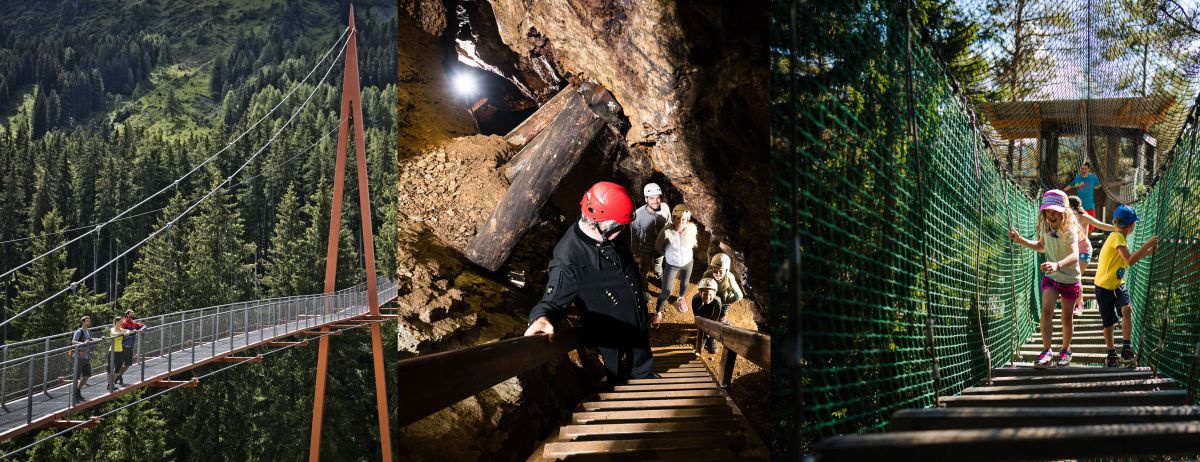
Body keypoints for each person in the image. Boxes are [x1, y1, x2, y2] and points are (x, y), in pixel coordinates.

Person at [524, 182, 655, 381]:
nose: (623, 230)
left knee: (641, 360)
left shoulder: (605, 230)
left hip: (636, 323)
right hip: (609, 335)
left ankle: (643, 375)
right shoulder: (569, 259)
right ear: (605, 224)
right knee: (617, 377)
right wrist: (542, 317)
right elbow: (551, 300)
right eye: (621, 226)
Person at [1009, 190, 1083, 368]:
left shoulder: (1070, 228)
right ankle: (1047, 350)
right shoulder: (1045, 226)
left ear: (1063, 211)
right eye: (1047, 211)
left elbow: (1075, 255)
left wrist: (1057, 264)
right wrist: (1020, 240)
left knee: (1066, 317)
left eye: (1055, 211)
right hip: (1051, 276)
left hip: (1070, 278)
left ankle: (1065, 349)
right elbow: (1042, 246)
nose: (1051, 215)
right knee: (1046, 310)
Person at [1095, 205, 1158, 367]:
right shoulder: (1117, 238)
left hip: (1117, 284)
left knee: (1126, 309)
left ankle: (1126, 348)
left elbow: (1127, 259)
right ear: (1131, 226)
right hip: (1104, 287)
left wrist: (1146, 253)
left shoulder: (1118, 236)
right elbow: (1129, 260)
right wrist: (1146, 245)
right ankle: (1111, 353)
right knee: (1108, 323)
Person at [1067, 196, 1119, 316]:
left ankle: (1079, 305)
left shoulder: (1083, 217)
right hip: (1071, 252)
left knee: (1076, 276)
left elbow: (1099, 224)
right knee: (1072, 278)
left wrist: (1116, 229)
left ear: (1072, 206)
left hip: (1084, 251)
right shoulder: (1066, 217)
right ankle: (1075, 303)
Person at [655, 204, 697, 314]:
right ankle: (658, 312)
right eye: (678, 218)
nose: (680, 221)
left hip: (688, 262)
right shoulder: (666, 231)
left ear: (687, 220)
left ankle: (681, 297)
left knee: (685, 284)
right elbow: (658, 247)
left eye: (684, 219)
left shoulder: (691, 229)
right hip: (672, 264)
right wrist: (669, 255)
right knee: (666, 291)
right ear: (673, 218)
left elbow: (692, 244)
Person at [630, 183, 670, 282]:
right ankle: (643, 284)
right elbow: (634, 237)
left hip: (660, 247)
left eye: (658, 198)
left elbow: (669, 224)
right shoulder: (638, 215)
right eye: (651, 198)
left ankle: (659, 277)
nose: (656, 201)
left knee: (658, 264)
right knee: (644, 268)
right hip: (645, 249)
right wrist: (636, 255)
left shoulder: (665, 208)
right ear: (646, 199)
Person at [1064, 163, 1101, 233]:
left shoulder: (1093, 178)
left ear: (1088, 169)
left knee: (1090, 228)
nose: (1084, 170)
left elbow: (1100, 184)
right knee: (1078, 228)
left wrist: (1095, 187)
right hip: (1079, 208)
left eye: (1085, 169)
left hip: (1090, 206)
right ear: (1080, 169)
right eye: (1082, 168)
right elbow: (1068, 187)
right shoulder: (1077, 178)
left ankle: (1086, 241)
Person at [692, 278, 724, 354]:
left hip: (713, 318)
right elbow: (697, 316)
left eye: (710, 294)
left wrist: (710, 334)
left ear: (714, 294)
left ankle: (711, 338)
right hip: (703, 315)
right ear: (700, 292)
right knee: (700, 322)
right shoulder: (695, 300)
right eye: (705, 294)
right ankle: (703, 336)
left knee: (716, 323)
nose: (707, 297)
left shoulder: (717, 303)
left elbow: (714, 321)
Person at [118, 309, 147, 386]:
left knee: (127, 363)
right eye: (131, 313)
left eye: (133, 313)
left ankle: (119, 376)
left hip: (130, 346)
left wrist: (140, 330)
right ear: (127, 314)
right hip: (123, 345)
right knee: (120, 363)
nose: (133, 314)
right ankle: (118, 377)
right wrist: (131, 331)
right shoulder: (123, 322)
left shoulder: (134, 324)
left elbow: (144, 326)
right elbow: (120, 330)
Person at [70, 316, 94, 403]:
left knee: (87, 374)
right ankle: (75, 394)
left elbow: (91, 340)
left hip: (85, 356)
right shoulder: (78, 331)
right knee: (76, 376)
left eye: (89, 321)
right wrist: (83, 343)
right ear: (83, 322)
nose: (88, 322)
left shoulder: (88, 331)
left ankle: (78, 390)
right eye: (87, 321)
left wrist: (101, 339)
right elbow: (73, 342)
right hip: (77, 356)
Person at [107, 317, 130, 391]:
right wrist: (123, 334)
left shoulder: (121, 329)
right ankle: (109, 384)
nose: (121, 323)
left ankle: (112, 382)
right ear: (116, 322)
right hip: (112, 350)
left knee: (118, 368)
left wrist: (126, 332)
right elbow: (114, 334)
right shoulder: (112, 329)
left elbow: (128, 330)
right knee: (110, 368)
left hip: (120, 350)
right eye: (120, 321)